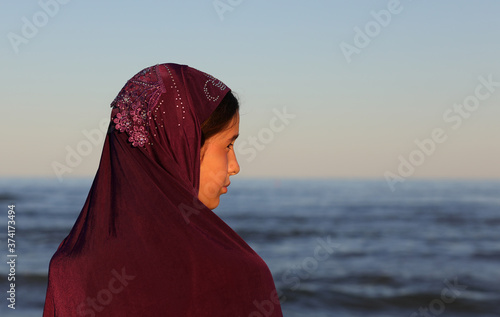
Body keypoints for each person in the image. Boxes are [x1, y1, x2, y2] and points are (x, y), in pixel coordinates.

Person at [43, 63, 283, 316]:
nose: (235, 166)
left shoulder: (71, 271)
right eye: (227, 145)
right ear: (182, 147)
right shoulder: (240, 276)